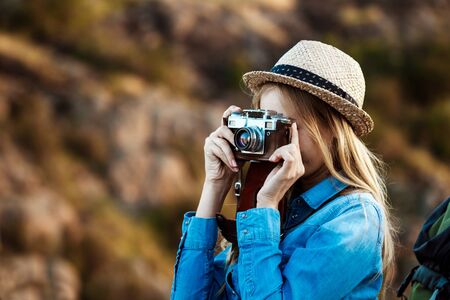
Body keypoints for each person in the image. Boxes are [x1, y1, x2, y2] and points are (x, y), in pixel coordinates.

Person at [170, 40, 396, 299]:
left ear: (334, 130)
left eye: (286, 126)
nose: (276, 141)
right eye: (267, 123)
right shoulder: (281, 197)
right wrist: (214, 187)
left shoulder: (355, 221)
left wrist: (265, 205)